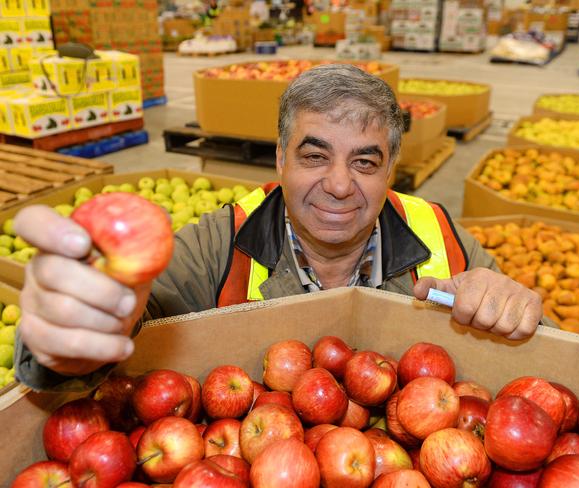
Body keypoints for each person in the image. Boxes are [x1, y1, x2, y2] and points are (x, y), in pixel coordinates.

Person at [14, 64, 543, 391]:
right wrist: (68, 342)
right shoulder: (218, 246)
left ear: (390, 172)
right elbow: (122, 315)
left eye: (364, 162)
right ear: (280, 161)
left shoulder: (445, 240)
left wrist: (511, 307)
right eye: (315, 156)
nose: (339, 185)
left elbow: (543, 364)